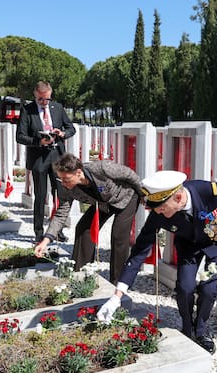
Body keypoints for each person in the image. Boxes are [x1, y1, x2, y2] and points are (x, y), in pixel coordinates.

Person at [97, 170, 217, 354]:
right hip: (188, 246)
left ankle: (200, 331)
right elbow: (139, 252)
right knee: (184, 288)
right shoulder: (159, 214)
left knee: (209, 290)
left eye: (161, 207)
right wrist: (117, 296)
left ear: (177, 197)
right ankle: (187, 327)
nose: (158, 212)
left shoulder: (210, 192)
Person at [34, 153, 143, 284]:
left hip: (126, 197)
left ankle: (118, 284)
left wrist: (143, 194)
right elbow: (61, 213)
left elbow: (130, 175)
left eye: (66, 179)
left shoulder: (102, 168)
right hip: (102, 203)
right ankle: (80, 275)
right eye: (60, 179)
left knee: (118, 236)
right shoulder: (66, 187)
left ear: (78, 173)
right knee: (83, 229)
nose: (63, 183)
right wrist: (46, 241)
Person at [16, 81, 76, 243]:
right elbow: (20, 136)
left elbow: (71, 128)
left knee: (61, 195)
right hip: (38, 158)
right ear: (35, 95)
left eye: (47, 99)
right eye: (40, 100)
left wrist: (62, 133)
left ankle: (58, 230)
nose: (44, 103)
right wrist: (38, 141)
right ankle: (38, 232)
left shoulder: (58, 108)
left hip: (58, 157)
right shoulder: (27, 110)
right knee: (40, 196)